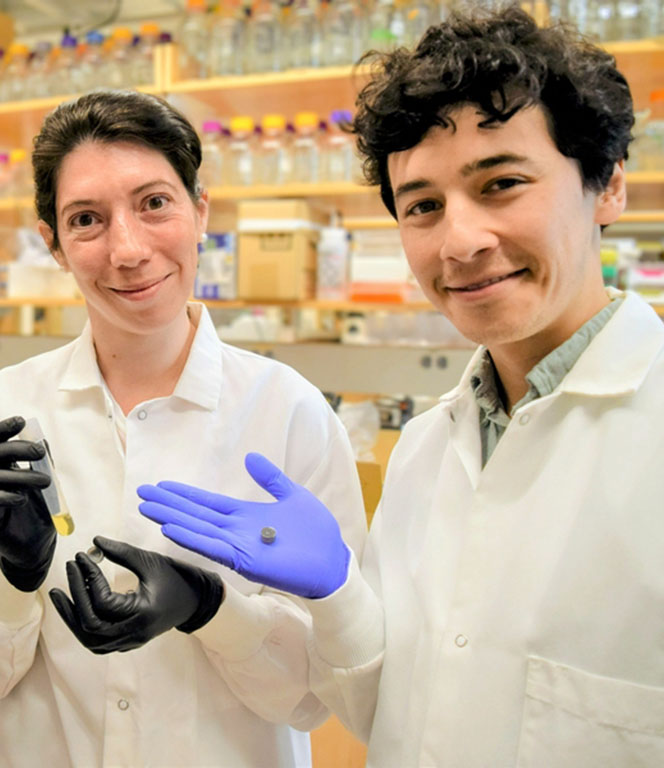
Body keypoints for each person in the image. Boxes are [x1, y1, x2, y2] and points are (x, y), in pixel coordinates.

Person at [138, 6, 664, 766]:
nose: (461, 240)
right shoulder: (422, 452)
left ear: (607, 185)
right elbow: (383, 710)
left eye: (503, 183)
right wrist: (337, 596)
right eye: (423, 206)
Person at [0, 89, 367, 767]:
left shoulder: (290, 414)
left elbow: (316, 698)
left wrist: (212, 609)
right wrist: (14, 580)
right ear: (53, 244)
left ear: (201, 210)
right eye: (87, 219)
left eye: (154, 203)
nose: (128, 249)